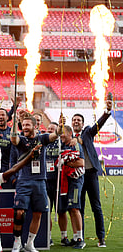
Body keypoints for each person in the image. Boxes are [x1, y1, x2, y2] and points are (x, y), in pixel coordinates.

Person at [10, 116, 62, 252]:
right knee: (19, 212)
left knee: (38, 213)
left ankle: (29, 243)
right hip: (24, 180)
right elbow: (13, 139)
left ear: (35, 126)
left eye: (27, 125)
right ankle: (17, 242)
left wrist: (60, 127)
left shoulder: (42, 138)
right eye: (23, 125)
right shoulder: (21, 139)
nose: (25, 127)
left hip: (40, 181)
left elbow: (55, 135)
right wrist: (15, 123)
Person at [72, 99, 112, 247]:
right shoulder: (69, 137)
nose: (76, 122)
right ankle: (79, 238)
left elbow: (98, 124)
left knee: (96, 207)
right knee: (79, 207)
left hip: (91, 174)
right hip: (77, 176)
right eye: (74, 120)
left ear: (82, 123)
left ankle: (101, 238)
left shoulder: (88, 132)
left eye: (79, 120)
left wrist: (107, 112)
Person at [58, 125, 86, 249]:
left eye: (63, 133)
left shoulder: (75, 144)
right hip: (65, 182)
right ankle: (75, 237)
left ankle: (80, 238)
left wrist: (65, 162)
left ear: (70, 134)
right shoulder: (61, 145)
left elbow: (81, 162)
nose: (61, 135)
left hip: (75, 180)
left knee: (75, 208)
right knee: (70, 209)